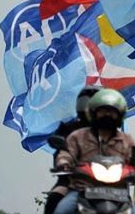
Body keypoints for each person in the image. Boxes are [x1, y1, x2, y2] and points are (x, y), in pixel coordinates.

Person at [53, 88, 135, 214]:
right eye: (103, 111)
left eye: (111, 112)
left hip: (117, 192)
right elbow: (66, 153)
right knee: (61, 209)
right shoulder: (77, 135)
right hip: (82, 188)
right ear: (94, 112)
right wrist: (64, 162)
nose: (107, 115)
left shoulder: (126, 139)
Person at [43, 85, 103, 214]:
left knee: (131, 206)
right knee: (55, 200)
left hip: (105, 183)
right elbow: (61, 151)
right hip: (71, 182)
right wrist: (64, 162)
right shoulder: (68, 129)